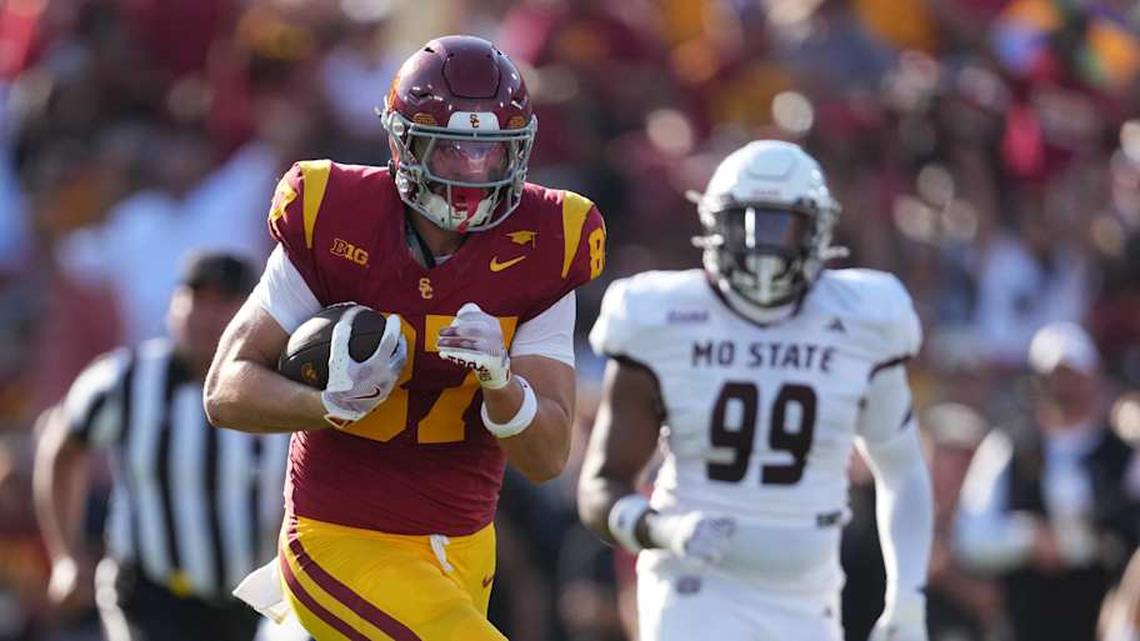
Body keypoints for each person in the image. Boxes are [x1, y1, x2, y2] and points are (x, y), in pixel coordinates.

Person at [203, 34, 606, 640]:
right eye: (452, 151)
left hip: (465, 548)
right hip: (339, 538)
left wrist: (501, 383)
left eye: (489, 153)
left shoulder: (548, 241)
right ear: (405, 143)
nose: (473, 172)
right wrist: (323, 405)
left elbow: (547, 457)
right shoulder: (333, 212)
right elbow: (226, 387)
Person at [577, 140, 934, 641]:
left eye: (783, 226)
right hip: (695, 585)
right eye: (748, 224)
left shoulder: (864, 317)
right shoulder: (661, 316)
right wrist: (665, 531)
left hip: (809, 590)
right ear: (715, 227)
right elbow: (600, 487)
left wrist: (908, 596)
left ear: (819, 231)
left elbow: (901, 470)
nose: (764, 247)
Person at [34, 251, 290, 641]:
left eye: (223, 302)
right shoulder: (124, 379)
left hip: (251, 601)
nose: (206, 315)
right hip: (149, 594)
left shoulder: (282, 385)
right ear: (174, 304)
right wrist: (66, 556)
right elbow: (62, 447)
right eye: (195, 298)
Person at [955, 321, 1140, 641]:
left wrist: (1083, 543)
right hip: (1026, 622)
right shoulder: (1009, 445)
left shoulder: (1125, 452)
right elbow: (971, 537)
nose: (1063, 387)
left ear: (1093, 377)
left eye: (1072, 376)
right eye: (1054, 377)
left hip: (1105, 621)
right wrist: (1029, 539)